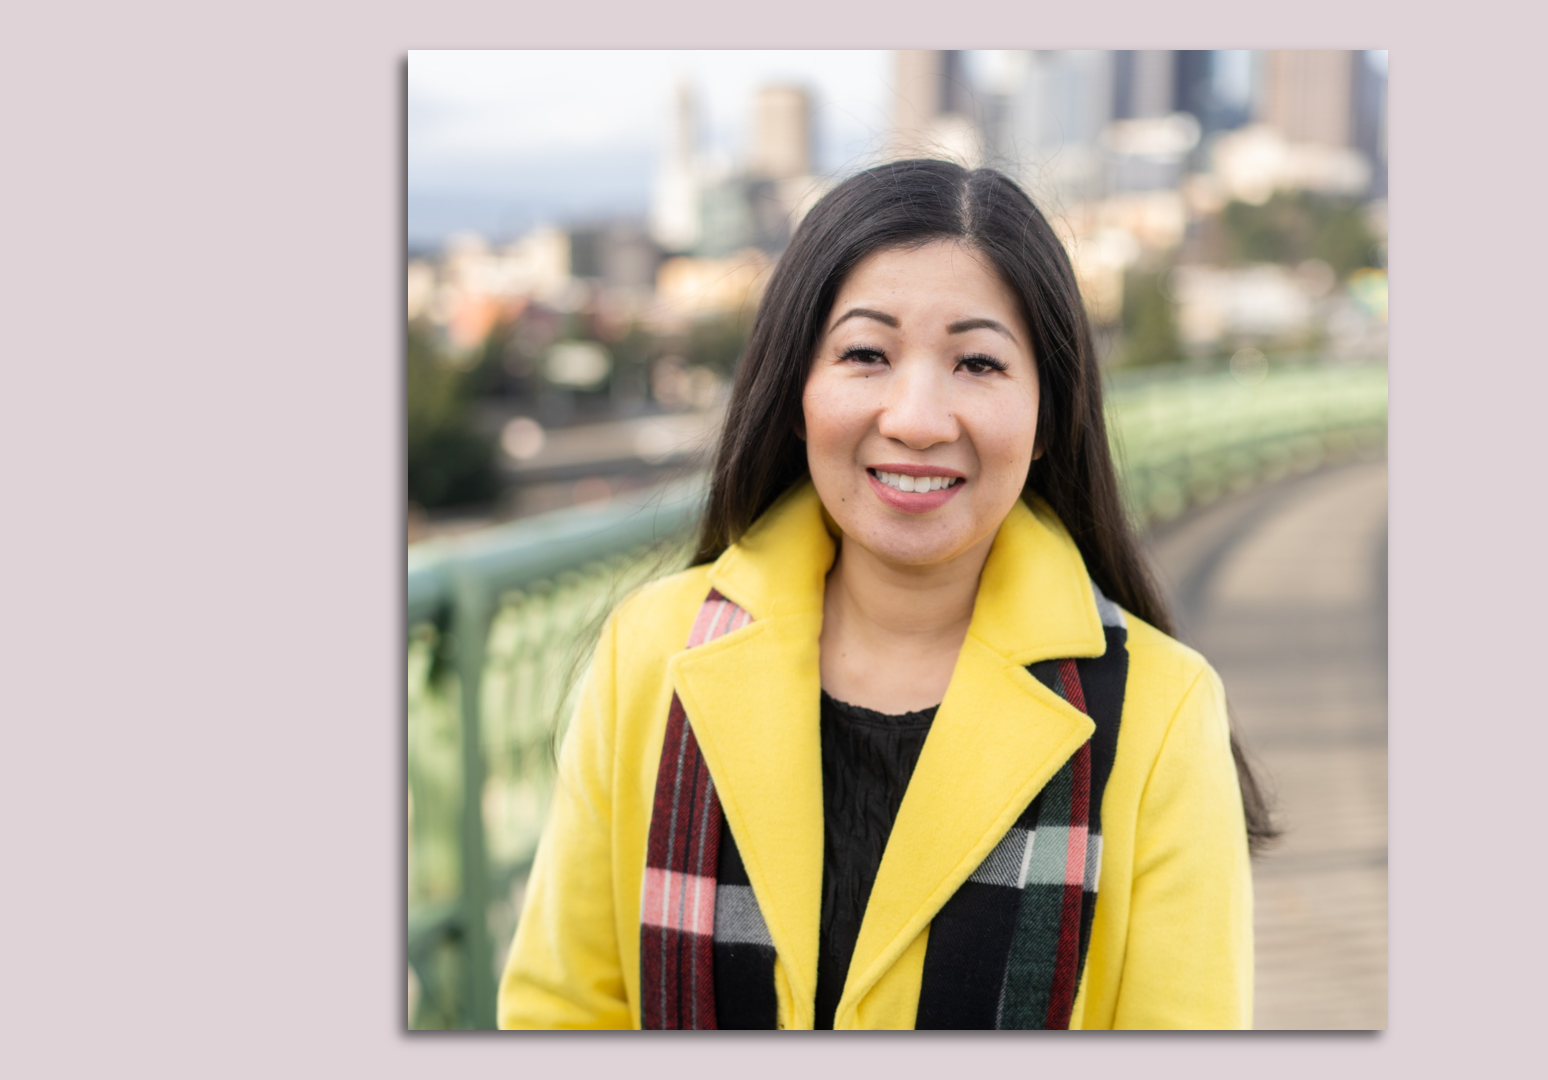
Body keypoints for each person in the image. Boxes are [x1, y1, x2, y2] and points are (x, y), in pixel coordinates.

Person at [498, 159, 1272, 1030]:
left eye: (977, 363)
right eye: (866, 354)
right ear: (795, 391)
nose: (915, 418)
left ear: (1050, 414)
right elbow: (559, 1014)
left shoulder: (1161, 713)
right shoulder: (650, 656)